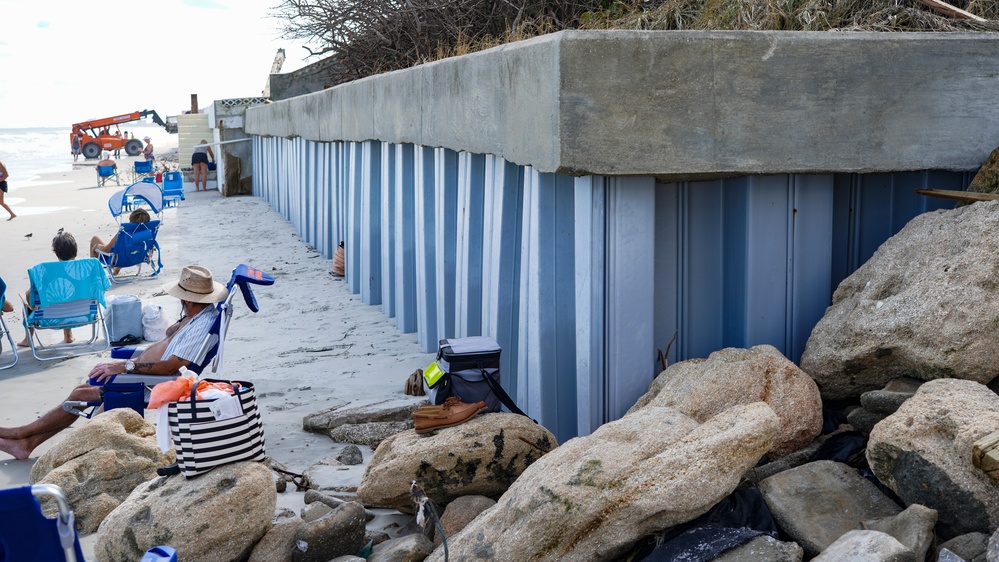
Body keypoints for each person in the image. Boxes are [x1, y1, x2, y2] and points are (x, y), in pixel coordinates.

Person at [0, 265, 228, 460]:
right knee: (81, 390)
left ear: (187, 298)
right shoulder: (196, 315)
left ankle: (22, 434)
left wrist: (124, 366)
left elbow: (172, 367)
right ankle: (26, 443)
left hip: (152, 384)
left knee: (80, 395)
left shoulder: (201, 325)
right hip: (145, 377)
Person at [18, 229, 79, 348]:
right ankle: (68, 335)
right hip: (81, 314)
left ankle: (28, 338)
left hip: (50, 316)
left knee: (27, 296)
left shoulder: (47, 272)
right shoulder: (85, 272)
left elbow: (30, 297)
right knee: (69, 296)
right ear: (75, 250)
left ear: (56, 252)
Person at [90, 208, 151, 273]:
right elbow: (150, 250)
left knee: (95, 239)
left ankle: (94, 272)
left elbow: (106, 249)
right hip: (138, 258)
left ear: (131, 221)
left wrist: (96, 246)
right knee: (125, 249)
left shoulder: (124, 233)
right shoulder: (149, 234)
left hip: (119, 260)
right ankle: (117, 269)